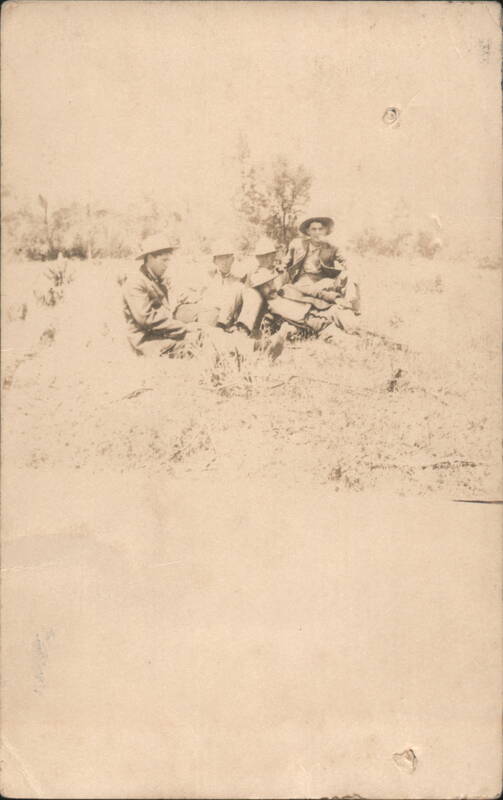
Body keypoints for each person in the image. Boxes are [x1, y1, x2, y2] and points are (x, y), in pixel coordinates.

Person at [122, 233, 201, 357]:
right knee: (199, 343)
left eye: (168, 260)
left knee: (205, 332)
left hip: (160, 336)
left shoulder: (156, 280)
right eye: (164, 260)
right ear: (150, 258)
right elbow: (147, 319)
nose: (167, 265)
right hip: (146, 343)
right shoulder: (135, 282)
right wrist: (184, 328)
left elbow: (166, 310)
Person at [278, 214, 361, 332]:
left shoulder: (332, 247)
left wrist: (347, 270)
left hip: (324, 281)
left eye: (320, 229)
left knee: (349, 276)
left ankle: (353, 310)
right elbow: (285, 262)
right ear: (308, 231)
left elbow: (347, 261)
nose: (317, 232)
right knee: (290, 292)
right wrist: (281, 268)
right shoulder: (297, 244)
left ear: (326, 230)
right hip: (302, 281)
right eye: (313, 229)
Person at [174, 239, 244, 329]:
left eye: (227, 257)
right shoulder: (208, 276)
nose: (224, 262)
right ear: (215, 261)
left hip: (219, 316)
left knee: (210, 318)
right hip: (202, 311)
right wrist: (189, 296)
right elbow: (192, 292)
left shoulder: (237, 281)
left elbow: (231, 306)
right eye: (220, 258)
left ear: (233, 259)